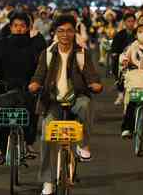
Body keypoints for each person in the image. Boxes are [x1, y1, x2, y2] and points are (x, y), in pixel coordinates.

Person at [28, 15, 102, 195]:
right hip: (52, 101)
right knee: (47, 136)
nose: (65, 34)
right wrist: (34, 84)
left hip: (76, 98)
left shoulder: (82, 53)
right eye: (61, 31)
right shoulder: (46, 53)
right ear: (55, 33)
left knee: (86, 104)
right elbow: (39, 75)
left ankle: (83, 145)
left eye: (69, 30)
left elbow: (91, 75)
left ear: (74, 32)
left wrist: (95, 84)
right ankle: (47, 181)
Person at [0, 12, 46, 165]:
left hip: (28, 88)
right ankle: (2, 149)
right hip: (6, 89)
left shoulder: (36, 45)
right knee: (1, 121)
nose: (19, 29)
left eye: (22, 26)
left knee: (30, 118)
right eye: (15, 26)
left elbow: (43, 65)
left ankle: (28, 144)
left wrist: (37, 82)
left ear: (28, 28)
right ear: (10, 27)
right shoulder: (0, 44)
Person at [119, 24, 143, 138]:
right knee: (132, 101)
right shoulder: (132, 46)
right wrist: (125, 60)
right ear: (136, 34)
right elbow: (123, 56)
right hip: (135, 75)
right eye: (140, 31)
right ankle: (127, 128)